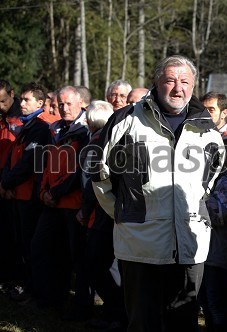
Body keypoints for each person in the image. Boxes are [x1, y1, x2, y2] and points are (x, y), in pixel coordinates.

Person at [92, 55, 225, 332]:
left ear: (193, 85)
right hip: (141, 245)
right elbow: (99, 173)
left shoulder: (206, 128)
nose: (178, 88)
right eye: (170, 80)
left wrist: (196, 208)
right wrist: (122, 210)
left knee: (182, 322)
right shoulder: (126, 120)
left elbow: (214, 173)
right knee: (143, 323)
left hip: (190, 245)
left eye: (185, 81)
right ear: (157, 82)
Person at [30, 86, 91, 316]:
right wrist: (44, 191)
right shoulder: (54, 128)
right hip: (50, 201)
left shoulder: (85, 131)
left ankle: (80, 306)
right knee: (43, 248)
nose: (64, 108)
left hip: (72, 202)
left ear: (80, 104)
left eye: (68, 104)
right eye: (60, 104)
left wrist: (55, 193)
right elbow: (45, 163)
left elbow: (80, 170)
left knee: (77, 258)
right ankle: (51, 297)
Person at [0, 82, 52, 303]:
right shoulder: (27, 125)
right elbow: (14, 158)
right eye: (21, 99)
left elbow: (29, 162)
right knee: (22, 242)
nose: (22, 103)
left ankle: (35, 290)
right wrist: (6, 181)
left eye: (26, 100)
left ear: (40, 103)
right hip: (17, 193)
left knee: (32, 245)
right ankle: (26, 285)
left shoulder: (39, 127)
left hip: (29, 195)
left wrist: (7, 182)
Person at [77, 100, 127, 330]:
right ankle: (113, 314)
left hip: (104, 214)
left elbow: (92, 183)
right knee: (107, 266)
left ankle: (116, 314)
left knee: (100, 266)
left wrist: (85, 211)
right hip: (113, 212)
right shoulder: (110, 140)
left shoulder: (98, 142)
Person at [198, 145, 227, 332]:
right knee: (206, 303)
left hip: (218, 255)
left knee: (218, 307)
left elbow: (223, 215)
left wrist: (199, 199)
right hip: (205, 254)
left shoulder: (226, 181)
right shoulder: (209, 181)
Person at [0, 79, 22, 288]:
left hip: (16, 186)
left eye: (3, 101)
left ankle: (16, 277)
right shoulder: (3, 118)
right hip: (3, 180)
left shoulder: (21, 119)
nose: (0, 105)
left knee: (15, 235)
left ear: (11, 94)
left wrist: (7, 183)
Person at [201, 91, 227, 165]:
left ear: (224, 113)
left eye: (211, 110)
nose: (205, 114)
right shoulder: (199, 133)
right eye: (203, 110)